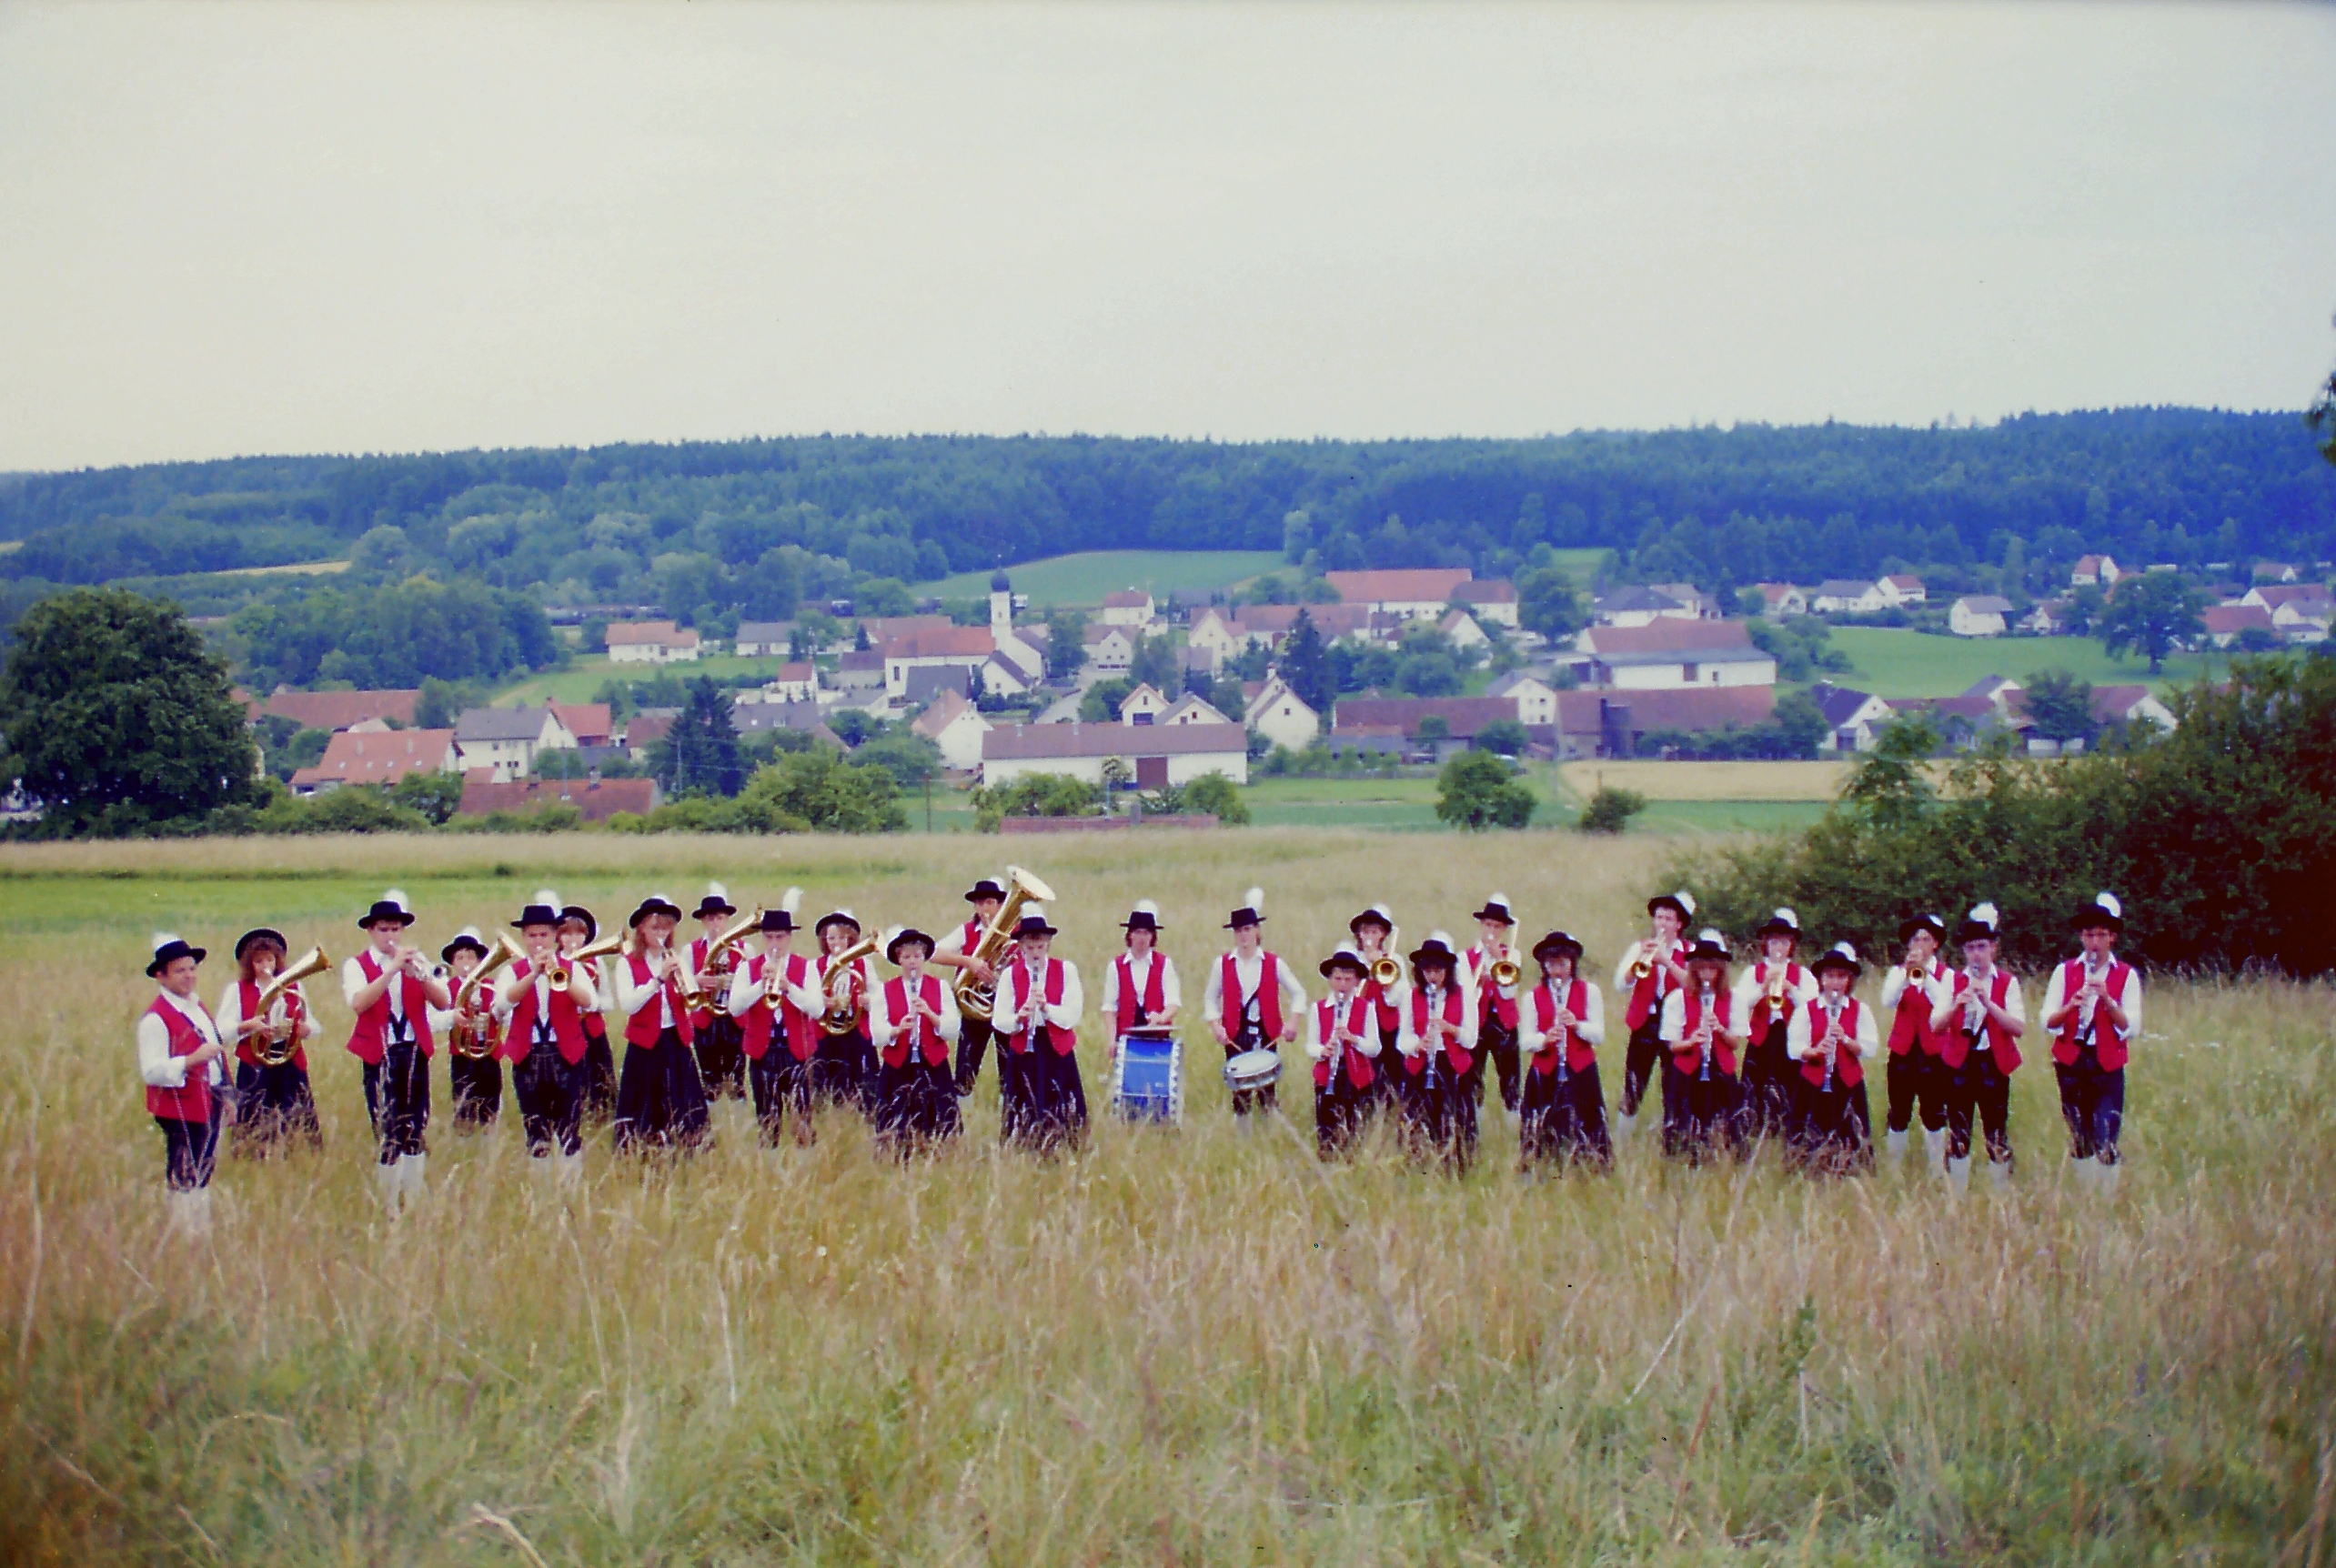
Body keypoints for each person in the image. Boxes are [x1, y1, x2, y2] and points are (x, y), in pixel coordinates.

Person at [343, 890, 451, 1211]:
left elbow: (443, 1001)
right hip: (380, 1053)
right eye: (383, 929)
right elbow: (359, 1003)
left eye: (395, 929)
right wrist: (390, 970)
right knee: (387, 1128)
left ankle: (414, 1199)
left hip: (413, 1052)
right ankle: (388, 1203)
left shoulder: (418, 960)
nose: (390, 935)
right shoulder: (357, 965)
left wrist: (420, 976)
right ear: (371, 931)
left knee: (415, 1126)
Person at [2041, 891, 2138, 1196]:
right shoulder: (2065, 971)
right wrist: (2072, 1006)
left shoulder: (2126, 975)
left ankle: (2107, 1199)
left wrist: (2108, 1001)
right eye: (2088, 935)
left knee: (2106, 1133)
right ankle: (2085, 1197)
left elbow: (2132, 1027)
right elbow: (2047, 1021)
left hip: (2106, 1062)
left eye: (2100, 935)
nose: (2093, 942)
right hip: (2071, 1061)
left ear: (2112, 938)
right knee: (2079, 1135)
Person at [498, 890, 598, 1183]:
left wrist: (559, 977)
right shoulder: (513, 971)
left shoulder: (571, 968)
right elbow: (502, 1005)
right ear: (523, 938)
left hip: (565, 1054)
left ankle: (572, 1189)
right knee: (536, 1129)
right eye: (531, 936)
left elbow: (589, 1002)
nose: (537, 941)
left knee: (570, 1128)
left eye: (543, 934)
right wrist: (532, 975)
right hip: (527, 1056)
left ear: (555, 935)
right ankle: (541, 1193)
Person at [1928, 902, 2026, 1194]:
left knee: (1996, 1131)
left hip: (1993, 1063)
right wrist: (1958, 1003)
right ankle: (1957, 1195)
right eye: (1971, 948)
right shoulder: (1952, 980)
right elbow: (1936, 1025)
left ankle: (2000, 1195)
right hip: (1960, 1063)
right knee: (1959, 1131)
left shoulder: (2007, 982)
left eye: (1982, 946)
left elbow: (2018, 1027)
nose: (1976, 954)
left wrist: (1988, 1003)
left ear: (1994, 947)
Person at [139, 933, 229, 1235]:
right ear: (161, 977)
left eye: (192, 968)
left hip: (209, 1098)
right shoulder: (156, 1018)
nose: (189, 976)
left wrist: (227, 1095)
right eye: (180, 970)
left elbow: (214, 1049)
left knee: (203, 1169)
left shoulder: (195, 1006)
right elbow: (151, 1071)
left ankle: (199, 1230)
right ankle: (184, 1233)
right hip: (181, 1105)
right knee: (184, 1173)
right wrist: (191, 1060)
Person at [610, 892, 710, 1156]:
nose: (661, 933)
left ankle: (686, 1152)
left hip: (675, 1043)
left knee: (684, 1105)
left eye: (666, 927)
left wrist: (686, 980)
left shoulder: (676, 959)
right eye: (655, 927)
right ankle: (644, 1154)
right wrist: (658, 979)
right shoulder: (627, 963)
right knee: (644, 1109)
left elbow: (695, 1004)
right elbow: (629, 1005)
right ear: (641, 929)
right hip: (644, 1047)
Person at [729, 890, 821, 1148]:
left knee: (802, 1117)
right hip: (762, 1051)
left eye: (780, 937)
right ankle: (770, 1168)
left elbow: (817, 1010)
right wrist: (762, 984)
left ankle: (805, 1169)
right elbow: (735, 1008)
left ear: (789, 937)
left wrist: (788, 987)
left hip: (797, 1051)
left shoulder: (807, 967)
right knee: (766, 1118)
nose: (774, 944)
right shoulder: (747, 968)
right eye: (769, 937)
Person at [219, 926, 322, 1157]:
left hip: (289, 1064)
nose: (266, 966)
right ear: (249, 964)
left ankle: (296, 1159)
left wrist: (306, 1029)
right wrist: (247, 1026)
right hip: (255, 1065)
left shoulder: (294, 986)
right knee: (255, 1125)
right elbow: (221, 1031)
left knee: (295, 1121)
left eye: (270, 960)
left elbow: (314, 1024)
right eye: (258, 961)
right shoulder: (236, 991)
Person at [1204, 888, 1304, 1122]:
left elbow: (1298, 993)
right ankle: (1244, 1141)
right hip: (1235, 1035)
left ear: (1257, 930)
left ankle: (1269, 1135)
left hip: (1266, 1033)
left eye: (1247, 929)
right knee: (1240, 1093)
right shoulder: (1222, 964)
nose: (1243, 936)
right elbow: (1210, 998)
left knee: (1267, 1090)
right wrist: (1215, 1025)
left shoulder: (1273, 962)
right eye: (1239, 930)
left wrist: (1292, 1023)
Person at [995, 904, 1087, 1151]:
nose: (1035, 953)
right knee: (1025, 1105)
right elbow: (999, 1020)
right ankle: (1025, 1146)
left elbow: (1072, 1015)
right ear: (1021, 948)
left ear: (1047, 945)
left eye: (1040, 947)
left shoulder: (1066, 970)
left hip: (1056, 1049)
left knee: (1061, 1106)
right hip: (1024, 1050)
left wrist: (1047, 1009)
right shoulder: (1010, 975)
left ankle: (1064, 1146)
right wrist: (1019, 1017)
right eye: (1029, 948)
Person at [1517, 930, 1610, 1172]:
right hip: (1545, 1070)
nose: (1557, 970)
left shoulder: (1590, 992)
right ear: (1544, 966)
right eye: (1551, 964)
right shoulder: (1532, 997)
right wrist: (1545, 1039)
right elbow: (1526, 1040)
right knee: (1542, 1125)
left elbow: (1598, 1034)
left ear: (1572, 963)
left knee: (1586, 1123)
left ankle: (1588, 1167)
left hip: (1581, 1069)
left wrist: (1576, 1025)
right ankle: (1541, 1168)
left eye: (1562, 963)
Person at [1786, 943, 1881, 1175]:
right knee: (1808, 1128)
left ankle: (1851, 1168)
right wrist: (1816, 1051)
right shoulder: (1807, 1009)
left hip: (1848, 1080)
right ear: (1821, 979)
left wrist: (1846, 1040)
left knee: (1852, 1131)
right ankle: (1808, 1168)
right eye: (1830, 976)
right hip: (1814, 1080)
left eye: (1841, 977)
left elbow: (1870, 1048)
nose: (1836, 982)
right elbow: (1794, 1048)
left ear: (1849, 980)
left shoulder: (1860, 1009)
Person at [873, 926, 964, 1155]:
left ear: (924, 958)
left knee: (939, 1124)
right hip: (898, 1066)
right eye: (906, 957)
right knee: (896, 1125)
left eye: (917, 956)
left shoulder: (939, 987)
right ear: (899, 959)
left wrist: (931, 1016)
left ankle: (936, 1154)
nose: (912, 962)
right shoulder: (885, 990)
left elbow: (953, 1029)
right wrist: (896, 1031)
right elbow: (876, 1033)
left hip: (932, 1064)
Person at [1656, 929, 1744, 1164]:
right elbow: (1673, 1045)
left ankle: (1725, 1158)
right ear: (1694, 970)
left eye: (1712, 969)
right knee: (1684, 1127)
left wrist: (1720, 1030)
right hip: (1687, 1071)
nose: (1707, 974)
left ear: (1720, 970)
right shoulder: (1677, 998)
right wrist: (1692, 1041)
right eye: (1702, 968)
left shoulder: (1733, 998)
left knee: (1724, 1124)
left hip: (1720, 1069)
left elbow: (1735, 1042)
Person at [1615, 890, 1696, 1140]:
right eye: (1659, 918)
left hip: (1676, 1025)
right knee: (1634, 1082)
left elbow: (1694, 986)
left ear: (1679, 924)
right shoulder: (1640, 948)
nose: (1662, 923)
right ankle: (1622, 1137)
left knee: (1673, 1083)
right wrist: (1640, 961)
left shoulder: (1691, 951)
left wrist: (1668, 962)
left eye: (1668, 919)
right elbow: (1620, 984)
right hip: (1645, 1022)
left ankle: (1672, 1134)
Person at [1395, 931, 1479, 1170]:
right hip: (1422, 1064)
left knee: (1455, 1117)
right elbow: (1403, 1038)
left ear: (1448, 971)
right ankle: (1417, 1161)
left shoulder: (1464, 995)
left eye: (1438, 971)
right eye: (1428, 971)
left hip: (1452, 1065)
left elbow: (1471, 1039)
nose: (1433, 977)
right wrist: (1416, 1045)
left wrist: (1449, 1028)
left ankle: (1457, 1162)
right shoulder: (1412, 996)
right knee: (1418, 1117)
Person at [1731, 909, 1814, 1145]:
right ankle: (1753, 1134)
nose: (1779, 946)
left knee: (1789, 1091)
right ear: (1766, 944)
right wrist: (1763, 988)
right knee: (1754, 1090)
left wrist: (1791, 989)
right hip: (1761, 1039)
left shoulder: (1803, 974)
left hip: (1790, 1039)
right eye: (1774, 940)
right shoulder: (1752, 972)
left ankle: (1790, 1136)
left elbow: (1813, 1009)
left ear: (1791, 945)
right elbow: (1739, 1004)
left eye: (1785, 941)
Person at [1878, 913, 1951, 1170]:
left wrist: (1924, 975)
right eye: (1915, 939)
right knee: (1898, 1110)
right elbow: (1887, 1001)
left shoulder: (1946, 975)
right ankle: (1893, 1167)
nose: (1919, 944)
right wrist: (1906, 974)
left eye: (1926, 939)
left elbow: (1943, 1003)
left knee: (1933, 1111)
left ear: (1935, 945)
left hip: (1933, 1051)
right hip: (1903, 1049)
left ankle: (1936, 1169)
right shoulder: (1897, 972)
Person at [930, 875, 1007, 1097]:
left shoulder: (1014, 931)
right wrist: (968, 962)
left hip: (1005, 1004)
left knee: (1009, 1065)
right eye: (979, 903)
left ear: (1000, 905)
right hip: (974, 1005)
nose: (984, 908)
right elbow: (932, 952)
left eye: (989, 903)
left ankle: (1009, 1113)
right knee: (966, 1064)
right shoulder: (966, 931)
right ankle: (962, 1109)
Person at [1304, 947, 1381, 1157]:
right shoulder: (1318, 1008)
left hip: (1358, 1076)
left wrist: (1353, 1039)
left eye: (1348, 979)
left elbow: (1375, 1048)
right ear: (1330, 980)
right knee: (1327, 1128)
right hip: (1328, 1075)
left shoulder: (1366, 1008)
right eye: (1338, 979)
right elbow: (1310, 1046)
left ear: (1357, 981)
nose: (1343, 985)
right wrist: (1324, 1050)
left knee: (1356, 1129)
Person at [430, 928, 503, 1131]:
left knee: (491, 1102)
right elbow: (433, 1021)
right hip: (462, 1055)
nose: (466, 964)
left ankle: (490, 1137)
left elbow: (507, 1016)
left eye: (471, 958)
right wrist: (453, 1017)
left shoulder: (492, 986)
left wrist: (495, 1014)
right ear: (453, 963)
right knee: (463, 1104)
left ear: (481, 961)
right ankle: (464, 1138)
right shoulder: (447, 988)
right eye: (460, 958)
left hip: (489, 1054)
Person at [1462, 894, 1525, 1123]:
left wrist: (1498, 957)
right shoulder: (1465, 957)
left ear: (1504, 929)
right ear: (1481, 924)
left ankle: (1512, 1127)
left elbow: (1509, 992)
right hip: (1476, 1021)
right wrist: (1476, 980)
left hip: (1504, 1022)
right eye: (1488, 924)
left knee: (1510, 1078)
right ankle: (1474, 1123)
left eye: (1497, 926)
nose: (1492, 930)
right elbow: (1462, 992)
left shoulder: (1512, 955)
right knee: (1473, 1075)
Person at [812, 908, 879, 1115]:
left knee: (862, 1076)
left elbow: (880, 996)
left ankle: (863, 1110)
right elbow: (809, 999)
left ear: (850, 939)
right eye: (831, 938)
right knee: (826, 1077)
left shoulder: (863, 964)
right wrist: (822, 1002)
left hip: (855, 1027)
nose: (835, 942)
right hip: (827, 1032)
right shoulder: (815, 965)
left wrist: (865, 1000)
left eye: (841, 937)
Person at [687, 883, 749, 1101]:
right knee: (709, 1079)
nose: (715, 923)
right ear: (703, 921)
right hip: (705, 1020)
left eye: (720, 918)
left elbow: (753, 983)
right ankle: (712, 1121)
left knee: (736, 1078)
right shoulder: (691, 950)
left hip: (734, 1020)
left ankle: (738, 1122)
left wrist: (732, 982)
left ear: (727, 920)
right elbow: (683, 986)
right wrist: (697, 980)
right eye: (711, 919)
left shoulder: (743, 948)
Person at [559, 903, 619, 1125]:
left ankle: (602, 1117)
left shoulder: (596, 962)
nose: (573, 939)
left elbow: (608, 1002)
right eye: (566, 933)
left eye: (578, 933)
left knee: (599, 1080)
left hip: (592, 1032)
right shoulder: (553, 963)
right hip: (565, 1030)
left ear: (586, 936)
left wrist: (590, 1004)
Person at [1102, 900, 1182, 1051]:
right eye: (1137, 932)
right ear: (1130, 935)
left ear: (1152, 936)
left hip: (1158, 1040)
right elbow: (1110, 1007)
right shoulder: (1115, 966)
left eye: (1146, 932)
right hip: (1126, 1040)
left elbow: (1173, 1002)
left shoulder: (1164, 964)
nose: (1142, 937)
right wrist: (1112, 1040)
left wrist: (1161, 1018)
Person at [1349, 905, 1407, 1112]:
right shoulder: (1352, 959)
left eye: (1375, 931)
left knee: (1394, 1078)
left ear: (1383, 934)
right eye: (1365, 931)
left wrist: (1380, 966)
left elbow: (1397, 999)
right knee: (1365, 1079)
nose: (1369, 936)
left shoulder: (1394, 960)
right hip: (1361, 1029)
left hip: (1389, 1028)